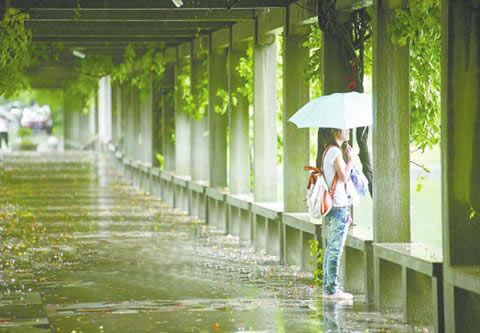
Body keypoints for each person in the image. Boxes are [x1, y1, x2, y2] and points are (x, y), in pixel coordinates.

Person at [317, 128, 354, 300]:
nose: (347, 131)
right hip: (339, 205)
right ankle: (332, 289)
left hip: (334, 206)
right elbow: (344, 176)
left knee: (331, 247)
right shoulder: (334, 151)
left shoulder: (327, 151)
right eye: (343, 129)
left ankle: (328, 286)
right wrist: (351, 160)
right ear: (334, 132)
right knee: (335, 249)